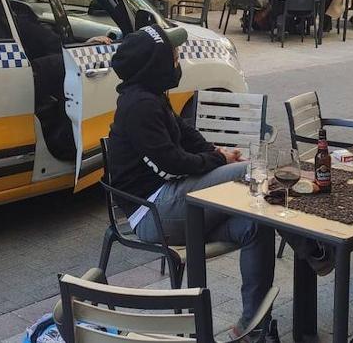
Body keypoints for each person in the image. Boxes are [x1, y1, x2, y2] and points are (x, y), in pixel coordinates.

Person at [105, 26, 333, 331]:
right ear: (154, 63)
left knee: (257, 224)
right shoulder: (139, 106)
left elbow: (187, 136)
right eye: (173, 55)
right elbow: (171, 165)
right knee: (253, 171)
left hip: (175, 202)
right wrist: (220, 160)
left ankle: (253, 326)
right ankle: (314, 250)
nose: (178, 60)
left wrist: (217, 150)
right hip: (152, 213)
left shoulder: (152, 96)